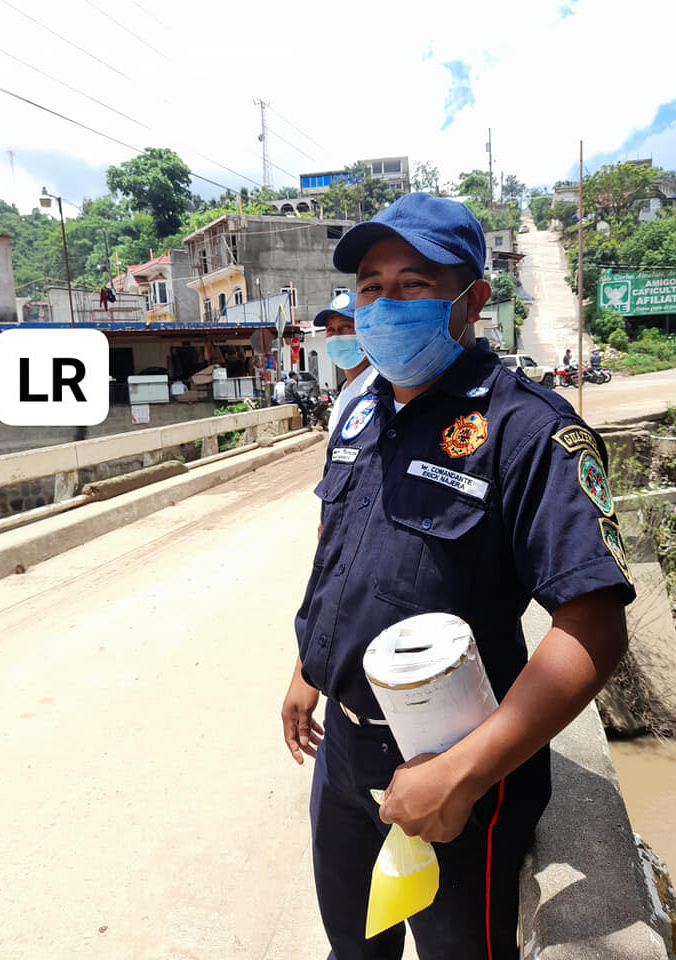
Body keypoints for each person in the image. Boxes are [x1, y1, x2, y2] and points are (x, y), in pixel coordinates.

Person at [281, 192, 634, 960]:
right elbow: (340, 548)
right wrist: (309, 668)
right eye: (371, 287)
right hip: (342, 760)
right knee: (355, 947)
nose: (384, 303)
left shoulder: (530, 430)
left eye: (414, 284)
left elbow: (595, 624)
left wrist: (463, 774)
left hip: (460, 777)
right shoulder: (358, 412)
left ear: (471, 300)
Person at [313, 292, 377, 437]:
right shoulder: (345, 391)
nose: (336, 336)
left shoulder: (379, 387)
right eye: (330, 330)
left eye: (345, 327)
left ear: (365, 331)